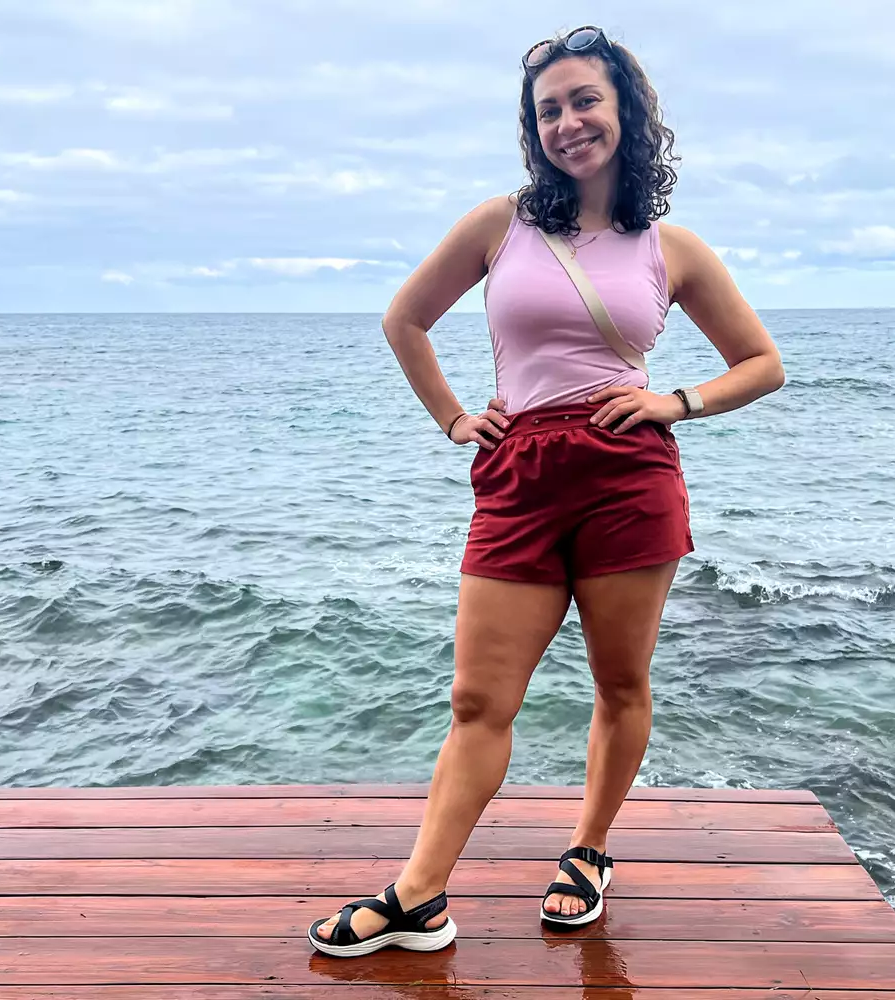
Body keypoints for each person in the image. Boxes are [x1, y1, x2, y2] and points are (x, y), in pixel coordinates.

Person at [308, 25, 785, 957]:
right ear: (535, 130)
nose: (569, 122)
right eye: (550, 110)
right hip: (519, 476)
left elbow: (762, 363)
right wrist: (453, 418)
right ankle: (420, 894)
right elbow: (404, 320)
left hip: (628, 476)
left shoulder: (670, 247)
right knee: (479, 701)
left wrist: (674, 401)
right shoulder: (501, 224)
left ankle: (588, 850)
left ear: (626, 112)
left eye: (585, 101)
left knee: (619, 682)